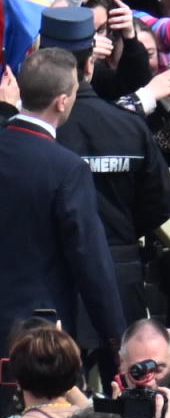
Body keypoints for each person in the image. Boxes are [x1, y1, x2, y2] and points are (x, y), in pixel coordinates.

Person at [0, 48, 127, 359]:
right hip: (37, 339)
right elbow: (91, 263)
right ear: (62, 101)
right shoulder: (66, 169)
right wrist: (116, 340)